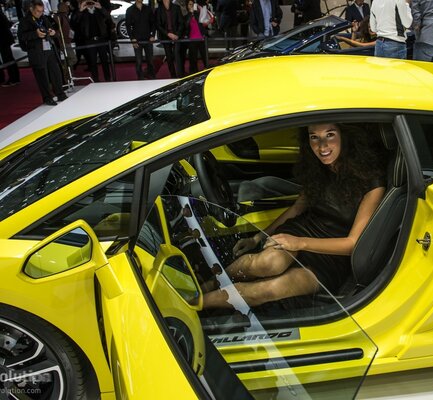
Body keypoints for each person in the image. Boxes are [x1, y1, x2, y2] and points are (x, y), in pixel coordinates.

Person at [202, 123, 386, 308]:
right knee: (267, 263)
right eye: (314, 137)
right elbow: (296, 209)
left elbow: (352, 244)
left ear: (346, 136)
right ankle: (210, 284)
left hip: (331, 256)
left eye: (330, 135)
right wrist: (257, 237)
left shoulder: (372, 183)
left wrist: (300, 242)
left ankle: (197, 304)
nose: (322, 146)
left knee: (269, 290)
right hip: (302, 229)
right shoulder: (318, 170)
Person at [18, 0, 67, 105]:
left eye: (41, 11)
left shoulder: (44, 18)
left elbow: (53, 29)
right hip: (36, 52)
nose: (39, 13)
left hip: (49, 49)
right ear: (31, 9)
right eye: (37, 11)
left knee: (56, 72)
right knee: (42, 76)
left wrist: (53, 32)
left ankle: (60, 93)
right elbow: (22, 37)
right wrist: (35, 34)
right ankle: (47, 97)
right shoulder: (24, 21)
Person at [71, 0, 113, 82]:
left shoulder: (99, 11)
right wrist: (80, 10)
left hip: (101, 40)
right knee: (92, 62)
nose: (90, 4)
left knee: (105, 61)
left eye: (91, 2)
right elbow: (73, 23)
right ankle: (96, 80)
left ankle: (108, 79)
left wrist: (101, 8)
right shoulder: (82, 12)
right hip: (89, 41)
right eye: (88, 2)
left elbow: (108, 18)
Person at [125, 0, 156, 79]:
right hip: (137, 40)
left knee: (151, 61)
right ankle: (140, 79)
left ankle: (152, 77)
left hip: (148, 39)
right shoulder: (129, 10)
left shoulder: (148, 9)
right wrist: (132, 39)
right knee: (138, 61)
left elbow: (153, 23)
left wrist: (152, 35)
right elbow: (128, 26)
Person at [155, 0, 184, 78]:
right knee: (169, 57)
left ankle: (180, 75)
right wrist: (168, 34)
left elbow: (181, 22)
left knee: (177, 55)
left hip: (176, 36)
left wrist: (177, 35)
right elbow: (158, 25)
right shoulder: (158, 10)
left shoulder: (176, 7)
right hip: (165, 36)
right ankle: (173, 76)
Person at [181, 0, 206, 74]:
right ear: (187, 6)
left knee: (204, 57)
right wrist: (191, 14)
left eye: (192, 4)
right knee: (193, 59)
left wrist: (195, 13)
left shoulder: (198, 14)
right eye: (189, 4)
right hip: (192, 39)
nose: (191, 6)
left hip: (201, 38)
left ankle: (207, 71)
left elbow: (203, 23)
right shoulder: (186, 16)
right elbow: (186, 25)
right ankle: (194, 73)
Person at [0, 9, 21, 87]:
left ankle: (13, 79)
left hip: (3, 39)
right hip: (5, 38)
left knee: (8, 58)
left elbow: (6, 24)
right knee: (8, 58)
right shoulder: (1, 14)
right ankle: (13, 78)